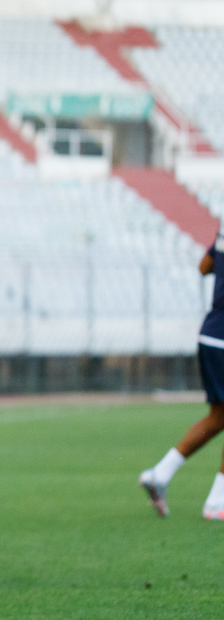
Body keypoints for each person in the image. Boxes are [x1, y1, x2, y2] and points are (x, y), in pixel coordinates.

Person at [139, 222, 224, 519]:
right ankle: (217, 503)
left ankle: (159, 474)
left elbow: (204, 266)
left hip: (211, 332)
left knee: (218, 418)